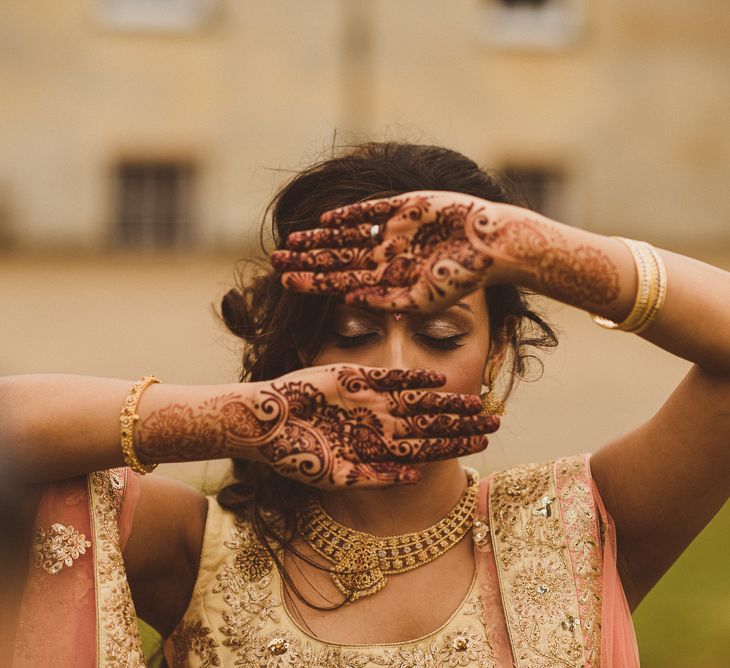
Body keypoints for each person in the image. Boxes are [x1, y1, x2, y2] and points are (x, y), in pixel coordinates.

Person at [2, 142, 728, 667]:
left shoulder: (583, 529)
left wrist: (529, 247)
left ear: (498, 351)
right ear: (297, 355)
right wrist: (243, 417)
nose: (395, 367)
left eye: (442, 336)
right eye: (352, 334)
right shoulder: (199, 552)